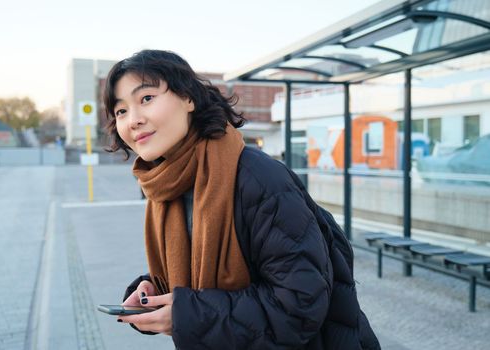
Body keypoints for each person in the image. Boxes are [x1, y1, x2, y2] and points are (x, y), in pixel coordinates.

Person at [104, 49, 380, 350]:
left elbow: (299, 306)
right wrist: (153, 289)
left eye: (146, 99)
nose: (133, 120)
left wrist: (187, 314)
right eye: (121, 111)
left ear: (188, 99)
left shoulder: (258, 179)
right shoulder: (167, 186)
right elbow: (200, 270)